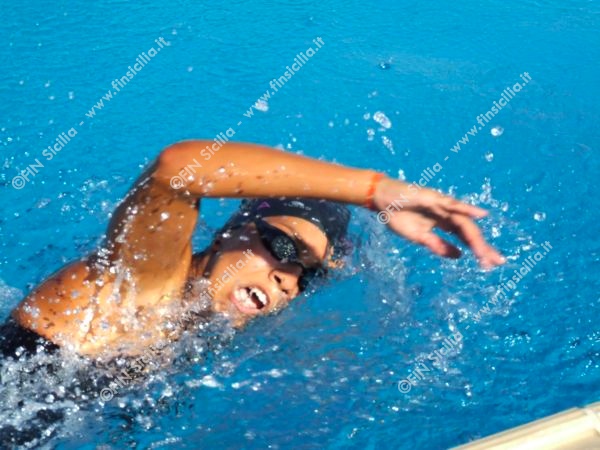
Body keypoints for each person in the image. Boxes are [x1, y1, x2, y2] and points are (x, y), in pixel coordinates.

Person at [1, 140, 504, 359]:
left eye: (308, 275)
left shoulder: (196, 326)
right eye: (283, 245)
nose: (289, 277)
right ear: (229, 233)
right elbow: (176, 170)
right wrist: (374, 190)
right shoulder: (145, 282)